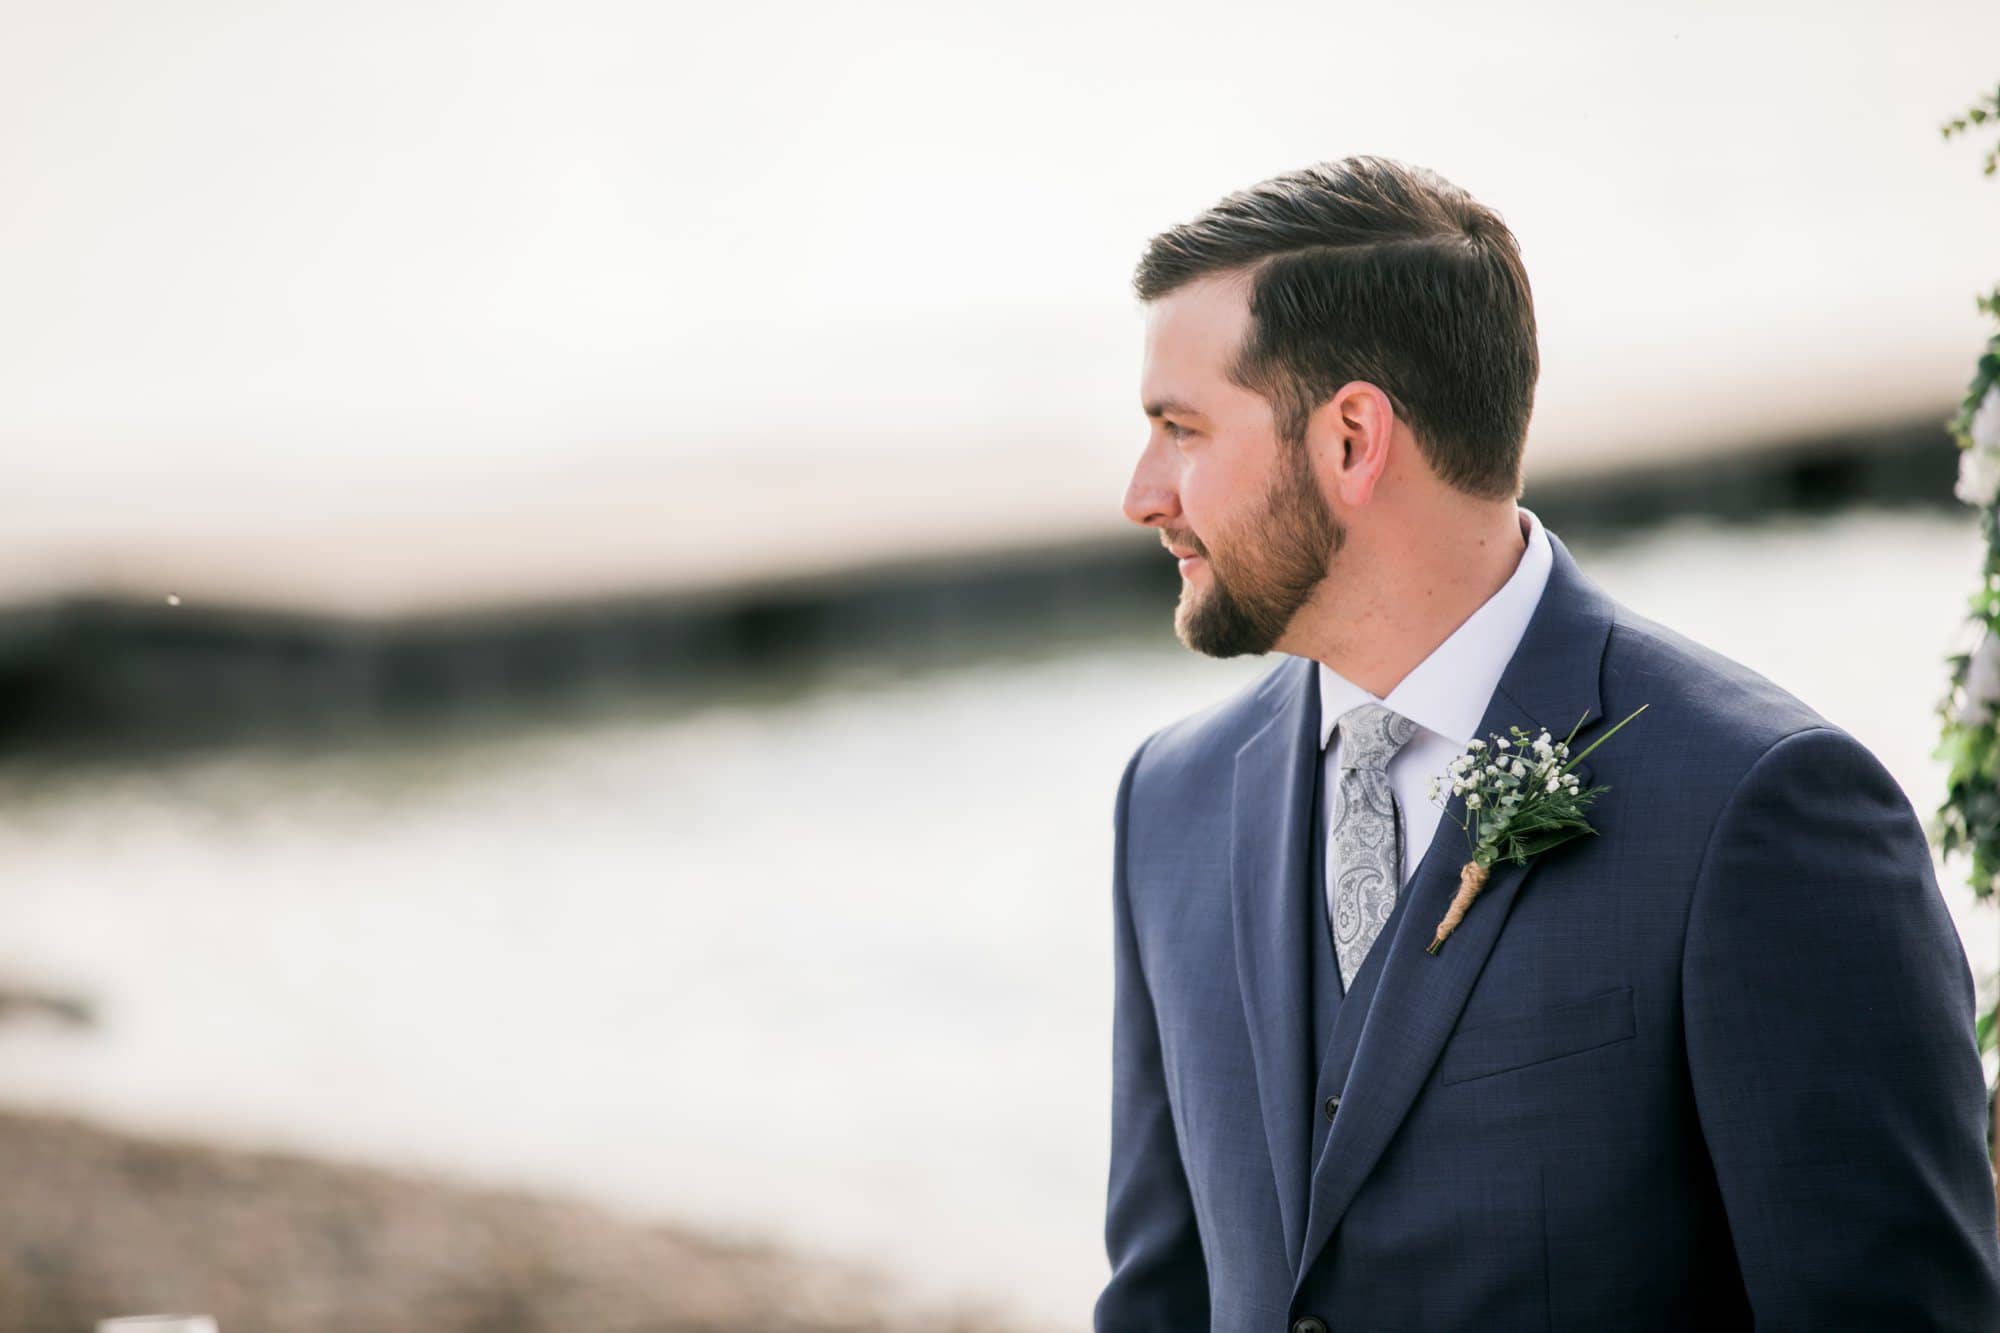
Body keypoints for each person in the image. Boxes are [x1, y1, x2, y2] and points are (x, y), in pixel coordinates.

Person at [1095, 154, 2000, 1332]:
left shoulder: (1759, 807)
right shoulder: (1170, 803)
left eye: (1180, 430)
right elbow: (1159, 1297)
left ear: (1352, 438)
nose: (1140, 492)